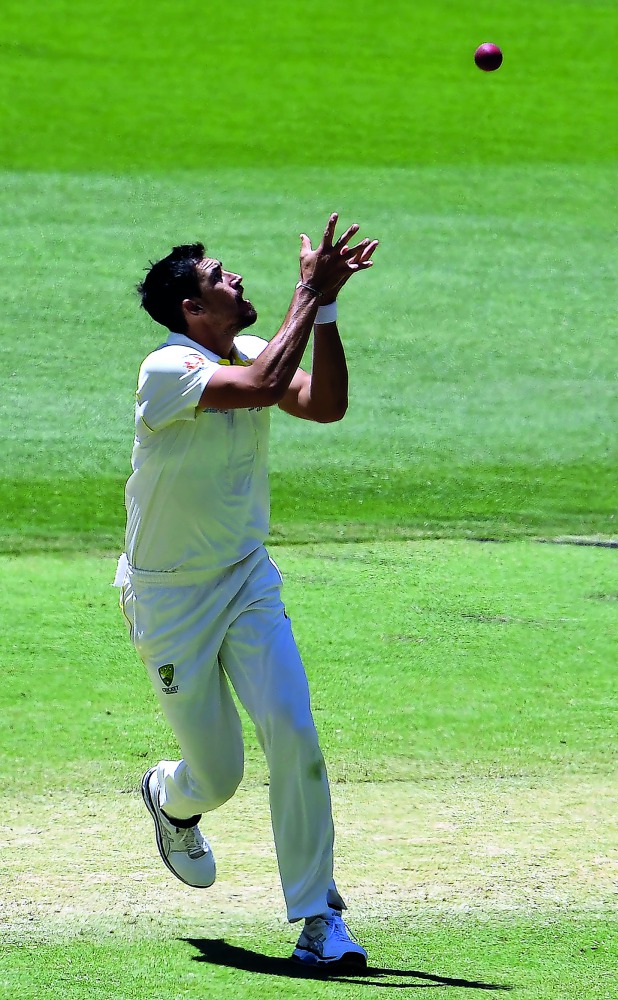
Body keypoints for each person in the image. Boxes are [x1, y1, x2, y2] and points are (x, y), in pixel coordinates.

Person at [115, 213, 378, 970]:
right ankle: (171, 797)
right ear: (193, 313)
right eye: (218, 279)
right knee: (220, 775)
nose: (234, 280)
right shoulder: (166, 370)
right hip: (169, 599)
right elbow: (263, 387)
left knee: (293, 729)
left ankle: (316, 918)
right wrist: (306, 288)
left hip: (245, 580)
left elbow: (323, 404)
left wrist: (323, 310)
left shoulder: (257, 347)